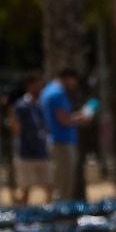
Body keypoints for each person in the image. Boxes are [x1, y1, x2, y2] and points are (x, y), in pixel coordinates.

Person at [41, 67, 83, 201]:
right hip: (62, 143)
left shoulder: (48, 91)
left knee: (60, 180)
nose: (75, 84)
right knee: (64, 182)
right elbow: (63, 119)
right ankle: (62, 216)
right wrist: (82, 118)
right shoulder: (57, 93)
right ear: (68, 78)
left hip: (57, 141)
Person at [10, 74, 51, 203]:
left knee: (49, 186)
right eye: (38, 85)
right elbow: (16, 129)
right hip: (26, 152)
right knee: (26, 188)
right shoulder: (20, 106)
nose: (41, 89)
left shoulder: (42, 105)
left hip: (42, 151)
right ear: (29, 86)